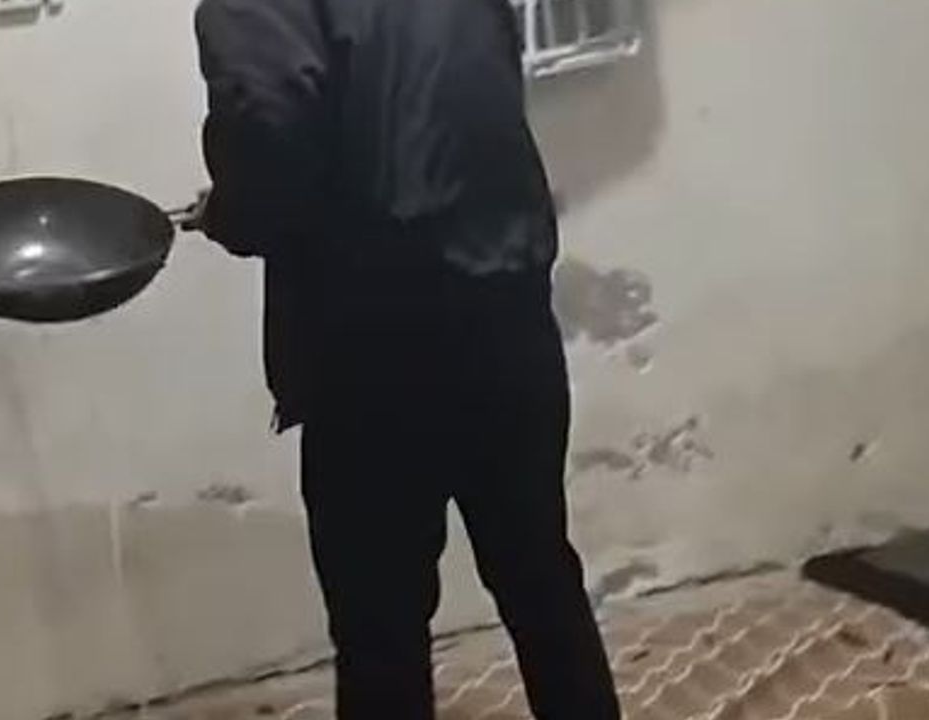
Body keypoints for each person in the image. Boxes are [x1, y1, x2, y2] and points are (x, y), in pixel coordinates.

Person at [189, 0, 621, 717]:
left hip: (372, 351)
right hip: (504, 307)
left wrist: (231, 212)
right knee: (540, 578)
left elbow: (271, 139)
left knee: (380, 627)